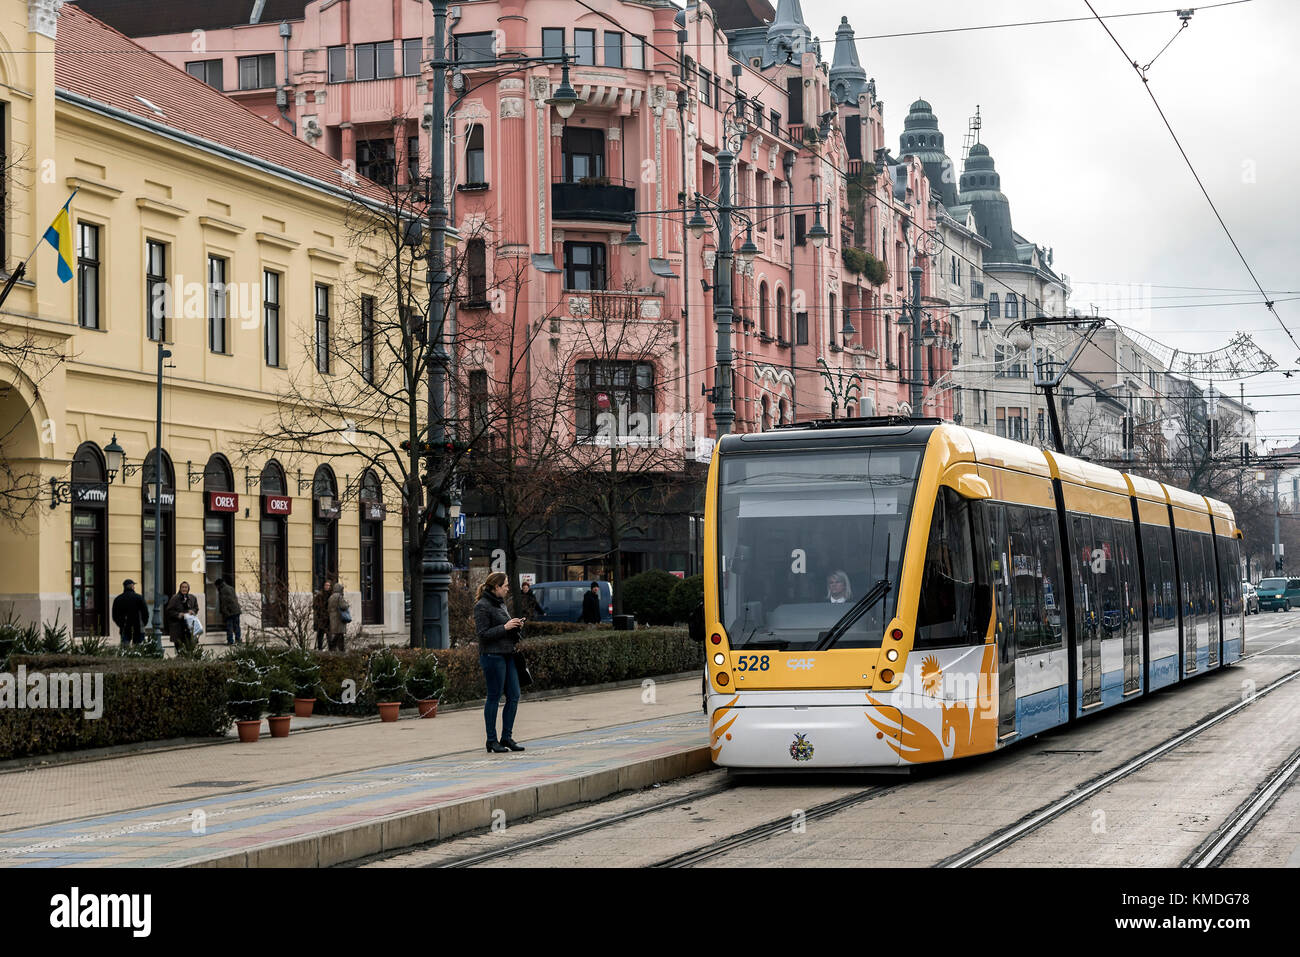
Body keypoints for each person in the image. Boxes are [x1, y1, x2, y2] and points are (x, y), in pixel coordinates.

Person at [474, 572, 526, 753]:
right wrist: (505, 627)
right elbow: (483, 634)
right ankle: (491, 740)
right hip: (492, 656)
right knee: (494, 697)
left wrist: (515, 625)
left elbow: (504, 628)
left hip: (508, 654)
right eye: (505, 585)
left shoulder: (501, 603)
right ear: (496, 587)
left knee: (514, 695)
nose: (507, 588)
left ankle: (506, 737)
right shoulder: (482, 606)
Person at [111, 579, 149, 646]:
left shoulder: (118, 599)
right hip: (138, 627)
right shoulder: (139, 598)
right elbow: (145, 612)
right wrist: (144, 623)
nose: (134, 587)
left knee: (125, 647)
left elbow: (115, 615)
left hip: (124, 626)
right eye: (133, 585)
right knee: (138, 648)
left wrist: (120, 624)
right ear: (131, 586)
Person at [164, 581, 199, 652]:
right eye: (182, 587)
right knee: (179, 648)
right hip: (177, 627)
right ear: (180, 588)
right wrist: (178, 614)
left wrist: (193, 611)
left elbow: (196, 608)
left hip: (189, 627)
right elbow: (168, 611)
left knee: (190, 647)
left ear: (188, 589)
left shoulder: (192, 598)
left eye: (186, 587)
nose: (184, 589)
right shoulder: (175, 598)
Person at [216, 576, 241, 645]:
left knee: (229, 627)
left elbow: (224, 603)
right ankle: (238, 640)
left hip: (230, 612)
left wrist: (225, 612)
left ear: (218, 585)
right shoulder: (231, 587)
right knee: (237, 626)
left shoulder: (222, 590)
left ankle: (230, 641)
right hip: (236, 610)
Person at [326, 580, 351, 652]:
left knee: (338, 634)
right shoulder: (339, 597)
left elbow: (329, 608)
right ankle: (338, 648)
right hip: (339, 618)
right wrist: (347, 604)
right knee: (339, 634)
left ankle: (337, 648)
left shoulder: (331, 597)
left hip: (332, 618)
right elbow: (343, 606)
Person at [313, 581, 332, 651]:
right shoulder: (319, 595)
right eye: (326, 585)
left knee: (329, 635)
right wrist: (320, 610)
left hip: (329, 619)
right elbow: (314, 606)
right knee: (320, 635)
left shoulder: (331, 596)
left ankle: (331, 650)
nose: (327, 587)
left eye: (328, 585)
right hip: (321, 618)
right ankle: (319, 649)